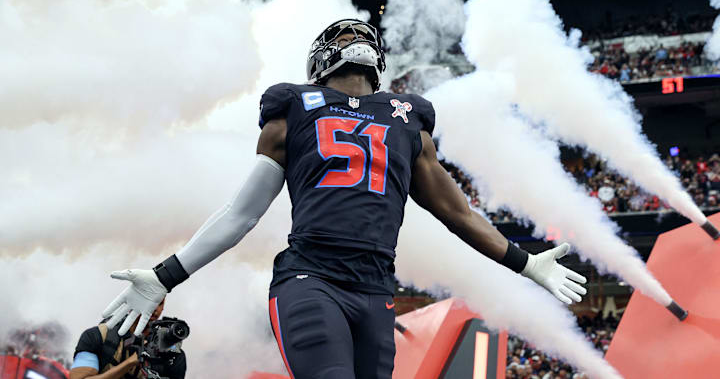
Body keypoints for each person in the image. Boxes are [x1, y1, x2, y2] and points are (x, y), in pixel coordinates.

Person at [101, 19, 587, 379]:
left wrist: (525, 263)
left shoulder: (408, 122)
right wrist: (166, 275)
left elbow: (456, 213)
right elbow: (243, 213)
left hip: (375, 289)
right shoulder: (293, 110)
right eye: (340, 35)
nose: (351, 36)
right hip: (311, 279)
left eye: (358, 34)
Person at [72, 298, 186, 379]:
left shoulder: (172, 354)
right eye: (149, 301)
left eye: (160, 303)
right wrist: (130, 362)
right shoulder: (98, 336)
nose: (155, 308)